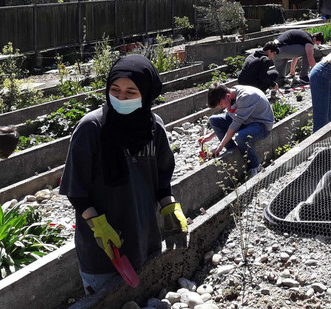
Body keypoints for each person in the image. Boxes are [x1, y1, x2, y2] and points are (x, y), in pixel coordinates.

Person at [60, 55, 187, 294]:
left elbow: (161, 180)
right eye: (115, 90)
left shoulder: (153, 127)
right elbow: (76, 190)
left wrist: (169, 207)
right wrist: (98, 225)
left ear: (147, 93)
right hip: (105, 245)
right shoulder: (92, 128)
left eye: (131, 93)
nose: (120, 98)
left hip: (144, 235)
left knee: (140, 300)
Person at [200, 83, 274, 177]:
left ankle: (255, 167)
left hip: (261, 125)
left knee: (241, 136)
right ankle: (233, 150)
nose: (222, 107)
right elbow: (233, 120)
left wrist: (220, 146)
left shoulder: (246, 97)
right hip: (247, 121)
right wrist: (211, 136)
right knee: (214, 120)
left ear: (227, 96)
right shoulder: (232, 94)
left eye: (221, 104)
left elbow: (235, 124)